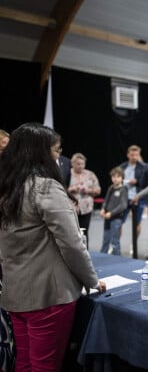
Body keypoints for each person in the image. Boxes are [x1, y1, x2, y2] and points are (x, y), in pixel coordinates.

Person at [0, 122, 106, 371]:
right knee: (45, 365)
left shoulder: (6, 188)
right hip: (48, 297)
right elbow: (72, 244)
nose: (60, 157)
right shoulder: (45, 187)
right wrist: (92, 280)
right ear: (42, 152)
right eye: (57, 150)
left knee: (24, 363)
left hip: (15, 295)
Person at [68, 153, 101, 246]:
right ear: (73, 163)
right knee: (72, 233)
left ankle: (85, 254)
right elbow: (59, 189)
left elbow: (98, 190)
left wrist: (88, 190)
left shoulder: (90, 174)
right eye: (78, 164)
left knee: (84, 232)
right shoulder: (67, 173)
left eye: (82, 164)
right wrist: (71, 189)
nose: (80, 166)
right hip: (70, 208)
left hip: (86, 208)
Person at [119, 145, 145, 255]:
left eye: (136, 154)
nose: (134, 156)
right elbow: (116, 179)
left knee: (137, 223)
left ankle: (133, 244)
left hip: (137, 198)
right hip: (124, 198)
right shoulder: (122, 166)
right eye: (132, 154)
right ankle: (115, 244)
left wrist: (137, 182)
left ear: (139, 155)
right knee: (118, 222)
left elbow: (146, 182)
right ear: (128, 155)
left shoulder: (143, 167)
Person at [100, 167, 128, 256]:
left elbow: (123, 205)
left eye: (118, 177)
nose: (115, 179)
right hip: (107, 217)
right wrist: (103, 209)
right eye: (113, 177)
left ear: (122, 178)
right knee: (105, 239)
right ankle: (102, 257)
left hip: (116, 218)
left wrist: (111, 213)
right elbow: (106, 200)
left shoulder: (124, 189)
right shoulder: (111, 188)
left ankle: (117, 258)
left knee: (115, 240)